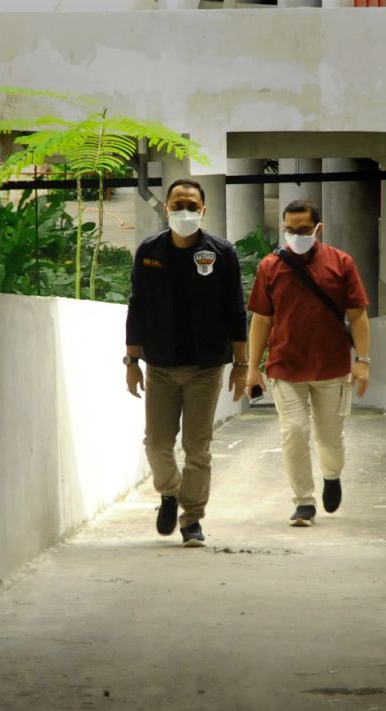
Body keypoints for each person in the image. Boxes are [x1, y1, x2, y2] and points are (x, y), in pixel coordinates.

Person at [124, 178, 249, 547]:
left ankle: (192, 519)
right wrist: (131, 361)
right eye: (178, 204)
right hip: (159, 367)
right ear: (166, 207)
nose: (184, 211)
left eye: (192, 206)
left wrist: (241, 366)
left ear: (203, 211)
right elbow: (137, 308)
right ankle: (169, 493)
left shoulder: (220, 252)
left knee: (198, 447)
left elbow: (236, 310)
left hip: (205, 368)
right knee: (157, 444)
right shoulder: (150, 252)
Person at [244, 200, 370, 527]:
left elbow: (357, 315)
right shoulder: (271, 267)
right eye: (290, 230)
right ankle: (303, 502)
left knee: (330, 437)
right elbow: (261, 320)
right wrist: (252, 367)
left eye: (303, 230)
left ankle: (331, 475)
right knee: (295, 433)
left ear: (318, 229)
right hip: (285, 366)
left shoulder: (341, 264)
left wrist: (363, 361)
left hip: (332, 368)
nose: (296, 235)